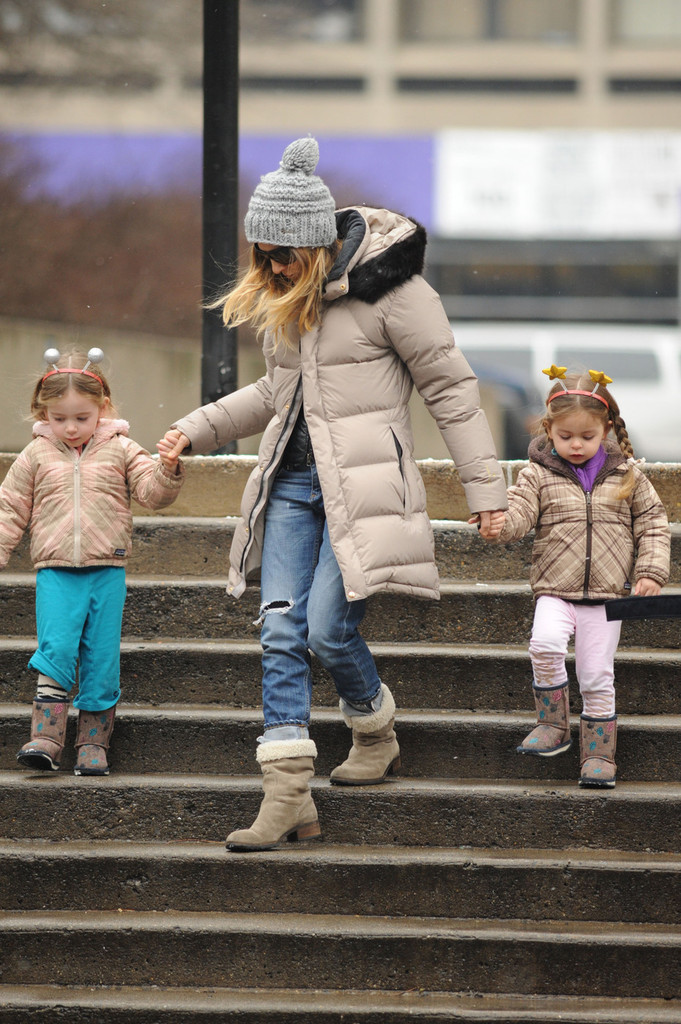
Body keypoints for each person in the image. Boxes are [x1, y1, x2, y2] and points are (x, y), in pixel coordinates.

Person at [158, 136, 508, 851]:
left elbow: (451, 390)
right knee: (279, 630)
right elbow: (275, 392)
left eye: (282, 255)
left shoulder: (396, 294)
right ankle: (288, 795)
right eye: (262, 256)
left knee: (325, 629)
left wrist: (485, 491)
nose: (273, 268)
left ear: (316, 243)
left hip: (363, 490)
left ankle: (374, 729)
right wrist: (194, 429)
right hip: (289, 486)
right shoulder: (289, 299)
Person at [480, 365, 670, 788]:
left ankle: (599, 754)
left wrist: (650, 572)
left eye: (587, 436)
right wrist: (498, 524)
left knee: (597, 675)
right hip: (555, 590)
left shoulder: (628, 476)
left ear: (606, 430)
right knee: (544, 644)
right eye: (566, 436)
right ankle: (553, 723)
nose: (577, 445)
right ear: (549, 430)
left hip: (606, 598)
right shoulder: (537, 474)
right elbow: (519, 514)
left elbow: (653, 524)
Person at [2, 347, 184, 776]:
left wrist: (168, 468)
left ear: (103, 408)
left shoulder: (121, 449)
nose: (69, 427)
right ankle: (47, 738)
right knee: (56, 649)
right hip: (55, 571)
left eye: (81, 418)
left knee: (101, 656)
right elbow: (9, 508)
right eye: (58, 418)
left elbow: (152, 493)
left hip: (106, 570)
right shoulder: (35, 454)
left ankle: (92, 742)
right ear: (43, 412)